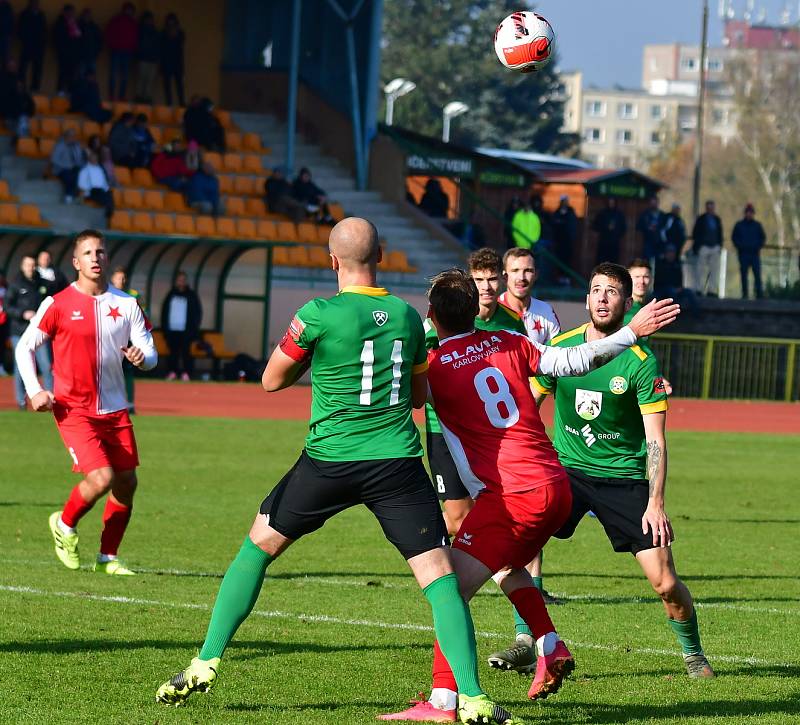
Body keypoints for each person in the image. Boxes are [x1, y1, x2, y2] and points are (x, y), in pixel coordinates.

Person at [155, 218, 519, 725]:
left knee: (258, 547)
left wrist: (320, 356)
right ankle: (474, 699)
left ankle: (205, 661)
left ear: (332, 260)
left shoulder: (317, 314)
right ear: (383, 255)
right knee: (439, 578)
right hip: (395, 461)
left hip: (330, 459)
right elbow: (418, 397)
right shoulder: (409, 318)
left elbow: (270, 380)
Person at [383, 269, 681, 721]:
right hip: (556, 485)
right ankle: (548, 642)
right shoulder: (508, 341)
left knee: (448, 593)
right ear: (474, 310)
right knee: (505, 565)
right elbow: (572, 361)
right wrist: (629, 333)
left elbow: (405, 396)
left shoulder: (436, 367)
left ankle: (444, 702)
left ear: (432, 316)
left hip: (512, 495)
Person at [518, 262, 714, 680]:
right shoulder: (563, 348)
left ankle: (693, 653)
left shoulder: (641, 362)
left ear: (627, 302)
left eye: (611, 291)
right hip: (566, 472)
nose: (602, 297)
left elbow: (656, 440)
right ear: (586, 299)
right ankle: (527, 640)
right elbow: (527, 407)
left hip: (624, 480)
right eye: (594, 290)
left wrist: (656, 503)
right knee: (519, 542)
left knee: (664, 583)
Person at [16, 230, 156, 574]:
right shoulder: (58, 303)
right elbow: (24, 347)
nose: (96, 257)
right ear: (76, 262)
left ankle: (108, 557)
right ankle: (64, 525)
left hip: (115, 410)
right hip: (74, 409)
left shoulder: (126, 304)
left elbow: (150, 352)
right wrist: (34, 389)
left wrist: (143, 357)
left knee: (127, 483)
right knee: (101, 478)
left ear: (107, 259)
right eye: (88, 253)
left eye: (101, 251)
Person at [424, 247, 526, 540]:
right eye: (479, 280)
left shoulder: (511, 322)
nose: (487, 286)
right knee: (458, 519)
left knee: (498, 507)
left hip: (489, 431)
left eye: (492, 279)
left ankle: (495, 567)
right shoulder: (439, 321)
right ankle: (422, 539)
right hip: (444, 429)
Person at [6, 255, 52, 410]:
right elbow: (7, 306)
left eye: (33, 265)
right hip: (19, 331)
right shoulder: (15, 284)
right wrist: (22, 313)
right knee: (21, 366)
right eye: (27, 264)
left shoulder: (42, 283)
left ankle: (52, 398)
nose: (30, 268)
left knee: (46, 365)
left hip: (40, 331)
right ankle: (21, 401)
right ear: (22, 266)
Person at [110, 266, 141, 413]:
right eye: (118, 278)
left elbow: (142, 315)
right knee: (109, 371)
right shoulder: (107, 294)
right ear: (112, 279)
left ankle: (130, 404)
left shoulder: (133, 295)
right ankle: (111, 404)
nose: (121, 281)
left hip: (128, 340)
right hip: (111, 340)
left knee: (128, 373)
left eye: (123, 278)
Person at [161, 271, 202, 382]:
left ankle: (186, 373)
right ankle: (172, 372)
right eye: (179, 280)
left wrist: (194, 328)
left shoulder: (191, 295)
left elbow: (197, 313)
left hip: (186, 331)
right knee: (173, 353)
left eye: (183, 280)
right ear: (176, 281)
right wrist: (165, 329)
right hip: (172, 330)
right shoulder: (171, 295)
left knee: (186, 353)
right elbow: (164, 312)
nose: (181, 282)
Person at [732, 203, 766, 300]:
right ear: (745, 213)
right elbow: (734, 238)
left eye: (751, 212)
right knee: (744, 275)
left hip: (755, 254)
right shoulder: (739, 225)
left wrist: (757, 247)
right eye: (748, 212)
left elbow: (762, 238)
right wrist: (740, 247)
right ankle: (745, 294)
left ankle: (759, 294)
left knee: (757, 275)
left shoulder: (757, 225)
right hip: (743, 254)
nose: (749, 214)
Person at [105, 2, 138, 100]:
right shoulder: (116, 20)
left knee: (125, 76)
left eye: (131, 10)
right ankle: (111, 95)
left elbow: (136, 38)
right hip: (116, 50)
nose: (129, 12)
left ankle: (121, 96)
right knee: (113, 74)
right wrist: (112, 45)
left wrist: (133, 49)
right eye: (127, 9)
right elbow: (108, 33)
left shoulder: (133, 23)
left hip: (127, 52)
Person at [691, 200, 723, 296]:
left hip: (715, 248)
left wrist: (719, 246)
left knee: (714, 270)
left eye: (712, 207)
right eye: (708, 207)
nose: (710, 209)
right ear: (706, 208)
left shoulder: (717, 219)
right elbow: (695, 233)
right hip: (703, 247)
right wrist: (698, 246)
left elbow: (720, 234)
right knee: (700, 270)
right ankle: (699, 289)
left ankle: (712, 291)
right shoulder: (701, 219)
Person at [17, 0, 47, 92]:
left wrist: (42, 43)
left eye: (37, 4)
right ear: (30, 4)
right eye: (33, 4)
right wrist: (25, 40)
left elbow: (44, 30)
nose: (35, 5)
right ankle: (22, 88)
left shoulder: (41, 15)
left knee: (37, 69)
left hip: (38, 46)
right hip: (27, 45)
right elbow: (20, 29)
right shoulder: (24, 14)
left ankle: (35, 88)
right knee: (23, 68)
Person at [78, 149, 114, 221]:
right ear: (89, 158)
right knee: (104, 196)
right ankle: (108, 210)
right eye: (93, 158)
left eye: (96, 158)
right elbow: (81, 184)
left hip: (100, 191)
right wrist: (85, 191)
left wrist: (107, 190)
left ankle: (109, 211)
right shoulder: (85, 170)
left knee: (109, 194)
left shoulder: (100, 170)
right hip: (90, 192)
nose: (94, 159)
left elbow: (104, 183)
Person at [53, 3, 81, 95]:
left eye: (72, 12)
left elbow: (79, 37)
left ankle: (69, 91)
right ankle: (60, 91)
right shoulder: (60, 22)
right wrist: (61, 50)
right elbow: (58, 38)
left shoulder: (75, 24)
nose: (71, 14)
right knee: (63, 72)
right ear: (65, 12)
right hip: (63, 53)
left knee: (72, 73)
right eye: (69, 12)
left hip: (73, 54)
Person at [50, 128, 85, 203]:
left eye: (74, 136)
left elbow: (79, 158)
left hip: (73, 167)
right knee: (69, 176)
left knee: (80, 174)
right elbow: (54, 159)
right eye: (71, 136)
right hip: (61, 169)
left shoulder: (76, 145)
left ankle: (76, 195)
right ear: (66, 136)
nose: (73, 138)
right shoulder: (60, 145)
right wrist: (66, 165)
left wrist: (80, 165)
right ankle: (69, 195)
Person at [551, 195, 578, 285]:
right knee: (559, 259)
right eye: (563, 201)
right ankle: (560, 278)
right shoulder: (557, 212)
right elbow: (554, 224)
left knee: (567, 260)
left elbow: (572, 226)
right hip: (559, 241)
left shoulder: (571, 212)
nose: (564, 203)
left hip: (568, 241)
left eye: (566, 201)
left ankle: (567, 278)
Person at [160, 12, 184, 106]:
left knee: (179, 85)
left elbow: (181, 45)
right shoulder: (163, 33)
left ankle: (181, 102)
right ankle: (169, 102)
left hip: (177, 63)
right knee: (167, 85)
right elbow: (162, 48)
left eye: (172, 20)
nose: (171, 23)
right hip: (167, 62)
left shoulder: (180, 33)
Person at [592, 198, 627, 265]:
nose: (611, 204)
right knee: (601, 261)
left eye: (613, 202)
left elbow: (623, 228)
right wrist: (605, 227)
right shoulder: (602, 213)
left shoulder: (619, 214)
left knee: (613, 262)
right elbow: (595, 226)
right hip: (603, 241)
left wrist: (616, 232)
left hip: (614, 242)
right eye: (610, 202)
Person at [134, 11, 159, 103]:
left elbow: (157, 46)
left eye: (150, 19)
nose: (149, 21)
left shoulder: (155, 32)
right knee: (141, 78)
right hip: (143, 58)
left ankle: (147, 97)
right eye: (148, 19)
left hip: (152, 60)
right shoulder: (140, 31)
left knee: (150, 80)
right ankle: (139, 96)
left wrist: (157, 58)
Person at [636, 196, 664, 260]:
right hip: (648, 242)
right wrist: (647, 228)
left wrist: (658, 229)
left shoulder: (662, 215)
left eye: (655, 203)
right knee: (647, 261)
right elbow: (639, 226)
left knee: (658, 261)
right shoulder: (645, 214)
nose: (654, 205)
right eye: (652, 203)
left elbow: (665, 228)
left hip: (659, 243)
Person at [77, 8, 102, 77]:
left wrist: (97, 52)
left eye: (88, 15)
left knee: (92, 77)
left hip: (92, 55)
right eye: (86, 15)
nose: (87, 17)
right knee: (81, 76)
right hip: (81, 56)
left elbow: (99, 40)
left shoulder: (94, 27)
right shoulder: (78, 26)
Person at [0, 0, 12, 67]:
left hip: (5, 35)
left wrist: (9, 34)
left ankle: (4, 76)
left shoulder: (7, 6)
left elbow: (10, 21)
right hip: (5, 35)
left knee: (5, 59)